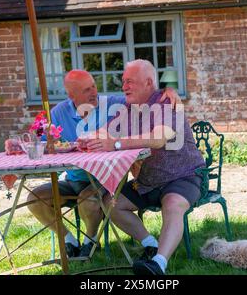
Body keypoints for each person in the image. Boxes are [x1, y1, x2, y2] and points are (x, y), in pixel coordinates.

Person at [26, 69, 181, 258]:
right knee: (35, 199)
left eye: (93, 86)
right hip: (72, 177)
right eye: (86, 90)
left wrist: (168, 91)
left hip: (104, 178)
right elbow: (39, 140)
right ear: (71, 95)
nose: (93, 92)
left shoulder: (112, 104)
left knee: (88, 200)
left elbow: (144, 97)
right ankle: (69, 241)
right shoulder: (59, 112)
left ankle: (90, 241)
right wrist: (19, 144)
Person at [82, 60, 206, 274]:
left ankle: (159, 264)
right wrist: (87, 139)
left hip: (183, 176)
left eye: (129, 81)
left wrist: (116, 143)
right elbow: (104, 131)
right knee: (110, 203)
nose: (124, 87)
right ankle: (151, 245)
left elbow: (158, 139)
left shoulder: (167, 102)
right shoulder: (127, 108)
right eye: (123, 82)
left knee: (173, 203)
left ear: (148, 83)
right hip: (148, 182)